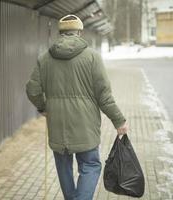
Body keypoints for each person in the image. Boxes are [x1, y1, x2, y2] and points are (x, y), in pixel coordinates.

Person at [26, 14, 128, 200]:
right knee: (90, 166)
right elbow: (104, 95)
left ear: (61, 32)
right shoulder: (92, 57)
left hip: (57, 127)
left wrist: (43, 108)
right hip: (85, 127)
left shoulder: (45, 58)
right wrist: (118, 120)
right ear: (79, 32)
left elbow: (32, 89)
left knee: (63, 167)